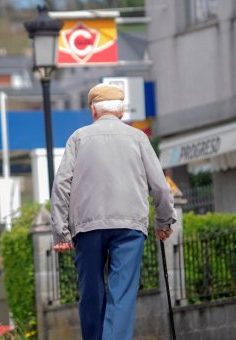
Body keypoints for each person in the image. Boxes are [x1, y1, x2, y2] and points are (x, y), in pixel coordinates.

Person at [50, 83, 176, 340]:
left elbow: (61, 185)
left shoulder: (79, 138)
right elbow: (161, 188)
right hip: (130, 226)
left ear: (93, 111)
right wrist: (164, 221)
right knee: (122, 294)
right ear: (121, 112)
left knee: (91, 292)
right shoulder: (138, 138)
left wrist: (61, 232)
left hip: (87, 225)